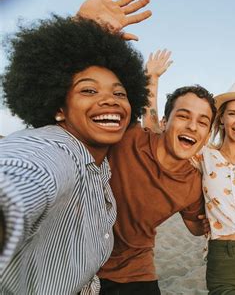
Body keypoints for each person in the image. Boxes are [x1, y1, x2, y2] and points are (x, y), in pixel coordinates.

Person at [0, 15, 149, 293]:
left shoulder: (100, 167)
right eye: (88, 90)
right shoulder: (56, 149)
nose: (109, 100)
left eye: (120, 93)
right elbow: (20, 175)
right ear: (59, 107)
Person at [144, 81, 235, 294]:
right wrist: (152, 81)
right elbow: (158, 136)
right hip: (225, 262)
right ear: (221, 118)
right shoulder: (204, 156)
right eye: (232, 114)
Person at [97, 58, 216, 294]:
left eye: (203, 122)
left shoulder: (193, 183)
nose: (193, 126)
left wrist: (208, 221)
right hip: (83, 262)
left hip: (136, 269)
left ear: (207, 135)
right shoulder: (129, 137)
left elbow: (194, 227)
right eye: (183, 116)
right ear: (164, 122)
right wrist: (151, 78)